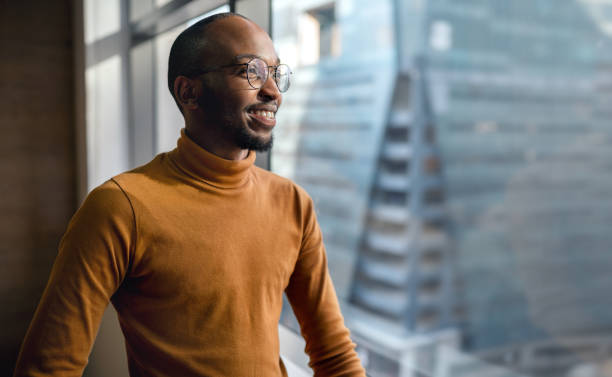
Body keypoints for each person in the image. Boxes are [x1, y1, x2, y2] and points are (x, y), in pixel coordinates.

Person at [13, 12, 366, 377]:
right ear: (189, 92)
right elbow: (48, 368)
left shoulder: (293, 203)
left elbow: (334, 355)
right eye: (251, 71)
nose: (273, 91)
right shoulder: (120, 208)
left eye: (275, 74)